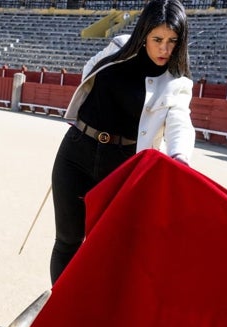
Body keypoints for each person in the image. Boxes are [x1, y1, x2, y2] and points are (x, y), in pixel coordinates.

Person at [49, 0, 196, 284]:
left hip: (122, 167)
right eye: (157, 39)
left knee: (105, 248)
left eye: (172, 41)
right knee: (67, 240)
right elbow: (89, 71)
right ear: (143, 34)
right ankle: (62, 316)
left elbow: (180, 123)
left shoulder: (177, 82)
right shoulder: (117, 47)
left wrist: (180, 158)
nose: (165, 49)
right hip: (76, 151)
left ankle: (94, 315)